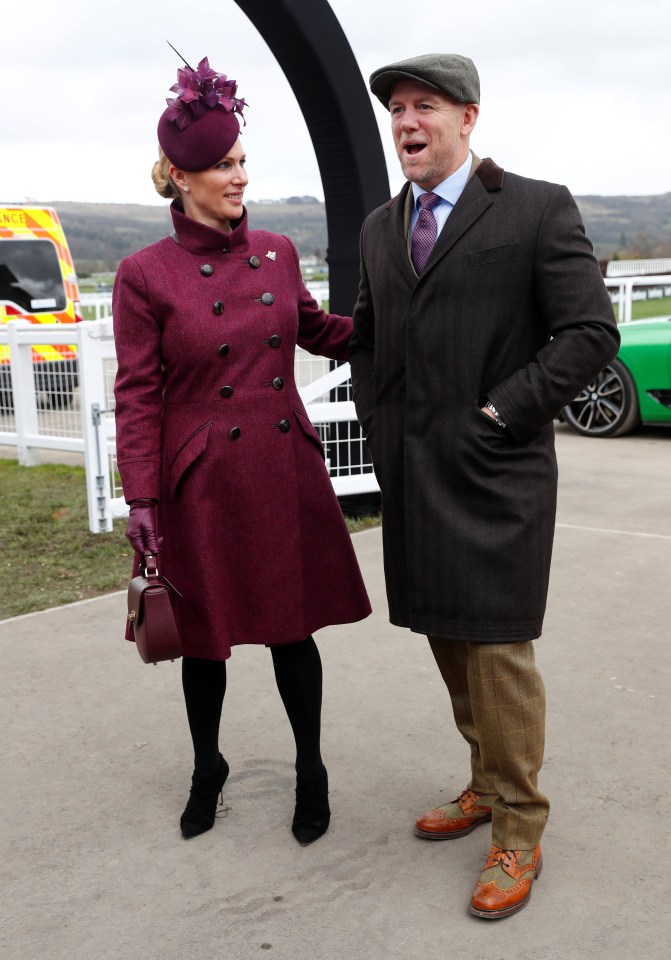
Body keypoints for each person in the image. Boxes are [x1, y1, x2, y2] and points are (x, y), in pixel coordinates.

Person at [349, 53, 620, 918]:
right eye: (396, 109)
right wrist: (378, 416)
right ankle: (483, 781)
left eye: (424, 106)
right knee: (447, 637)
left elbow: (587, 333)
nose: (407, 123)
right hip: (415, 473)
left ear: (469, 118)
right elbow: (366, 334)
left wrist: (500, 414)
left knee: (498, 651)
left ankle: (518, 829)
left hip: (496, 473)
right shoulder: (376, 228)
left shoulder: (536, 207)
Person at [113, 55, 371, 845]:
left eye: (240, 161)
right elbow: (137, 394)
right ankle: (207, 767)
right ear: (179, 177)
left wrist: (387, 322)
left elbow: (315, 329)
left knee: (294, 631)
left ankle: (311, 769)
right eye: (221, 164)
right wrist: (145, 501)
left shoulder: (277, 251)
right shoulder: (143, 275)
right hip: (205, 483)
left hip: (280, 464)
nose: (237, 176)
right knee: (206, 643)